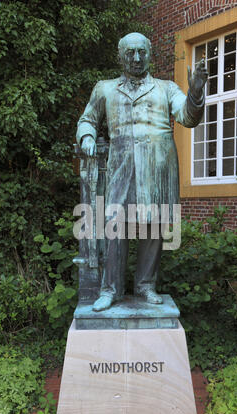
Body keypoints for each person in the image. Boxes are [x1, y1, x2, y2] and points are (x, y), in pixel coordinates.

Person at [76, 32, 208, 311]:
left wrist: (195, 92)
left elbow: (187, 117)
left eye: (142, 52)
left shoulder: (166, 88)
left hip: (157, 166)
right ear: (121, 56)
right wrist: (87, 137)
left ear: (150, 54)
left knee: (153, 225)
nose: (136, 58)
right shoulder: (105, 89)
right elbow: (87, 119)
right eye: (130, 53)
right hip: (121, 166)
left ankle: (146, 285)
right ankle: (110, 289)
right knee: (116, 227)